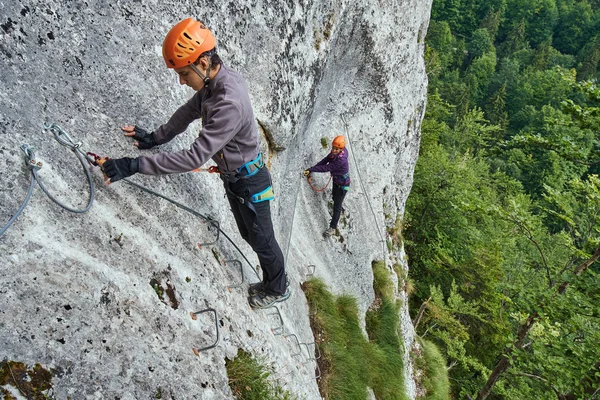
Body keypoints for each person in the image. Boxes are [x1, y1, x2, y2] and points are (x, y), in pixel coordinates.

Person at [100, 18, 289, 309]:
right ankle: (272, 281)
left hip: (250, 183)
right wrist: (154, 138)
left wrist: (134, 166)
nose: (181, 81)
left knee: (263, 240)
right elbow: (187, 113)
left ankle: (277, 288)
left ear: (202, 62)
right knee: (249, 234)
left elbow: (194, 156)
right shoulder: (215, 85)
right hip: (238, 179)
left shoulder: (228, 102)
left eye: (184, 73)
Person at [304, 136, 350, 237]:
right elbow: (326, 160)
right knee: (334, 197)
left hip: (342, 185)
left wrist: (312, 169)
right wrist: (312, 168)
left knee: (337, 206)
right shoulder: (336, 153)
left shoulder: (341, 160)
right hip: (337, 181)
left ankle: (332, 228)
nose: (334, 150)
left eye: (336, 149)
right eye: (333, 147)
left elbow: (326, 167)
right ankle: (336, 207)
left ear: (341, 149)